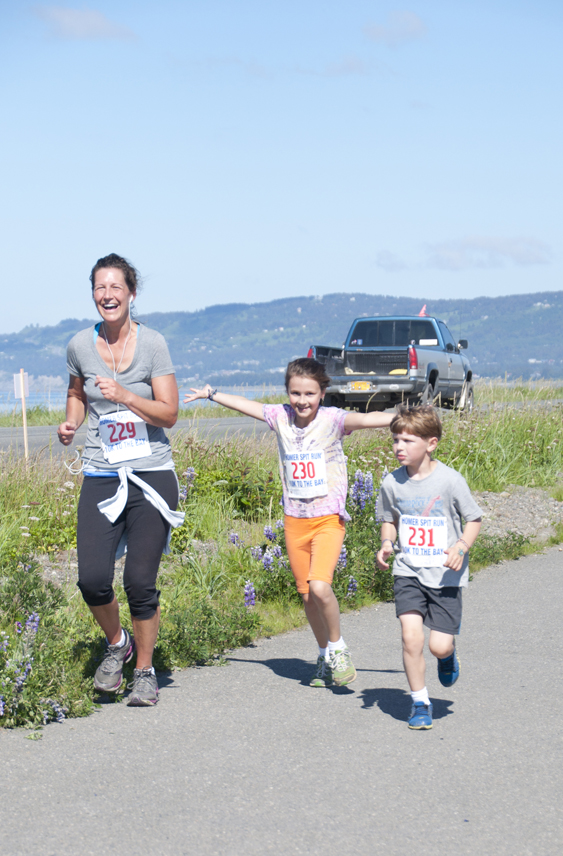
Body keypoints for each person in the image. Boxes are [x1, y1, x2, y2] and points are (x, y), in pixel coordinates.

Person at [184, 358, 393, 687]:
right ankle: (324, 656)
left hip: (328, 519)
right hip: (295, 521)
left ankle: (339, 650)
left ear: (322, 393)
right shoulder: (280, 416)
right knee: (307, 595)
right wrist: (212, 394)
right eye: (295, 393)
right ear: (287, 393)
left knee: (321, 587)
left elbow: (367, 419)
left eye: (309, 393)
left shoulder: (333, 419)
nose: (302, 400)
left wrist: (402, 417)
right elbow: (247, 406)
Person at [57, 253, 184, 706]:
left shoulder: (153, 345)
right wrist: (71, 423)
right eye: (99, 288)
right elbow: (77, 393)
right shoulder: (78, 345)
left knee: (139, 581)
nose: (107, 295)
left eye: (115, 287)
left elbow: (169, 413)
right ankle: (118, 644)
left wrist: (126, 395)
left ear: (131, 292)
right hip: (101, 473)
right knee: (92, 579)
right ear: (93, 293)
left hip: (150, 473)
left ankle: (145, 672)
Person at [375, 406, 482, 730]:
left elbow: (473, 519)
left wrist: (461, 547)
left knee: (438, 645)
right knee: (411, 638)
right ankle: (420, 702)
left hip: (445, 574)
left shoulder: (450, 480)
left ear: (431, 443)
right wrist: (386, 543)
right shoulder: (391, 482)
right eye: (396, 439)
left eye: (408, 440)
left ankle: (448, 657)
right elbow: (389, 519)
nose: (399, 447)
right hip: (409, 571)